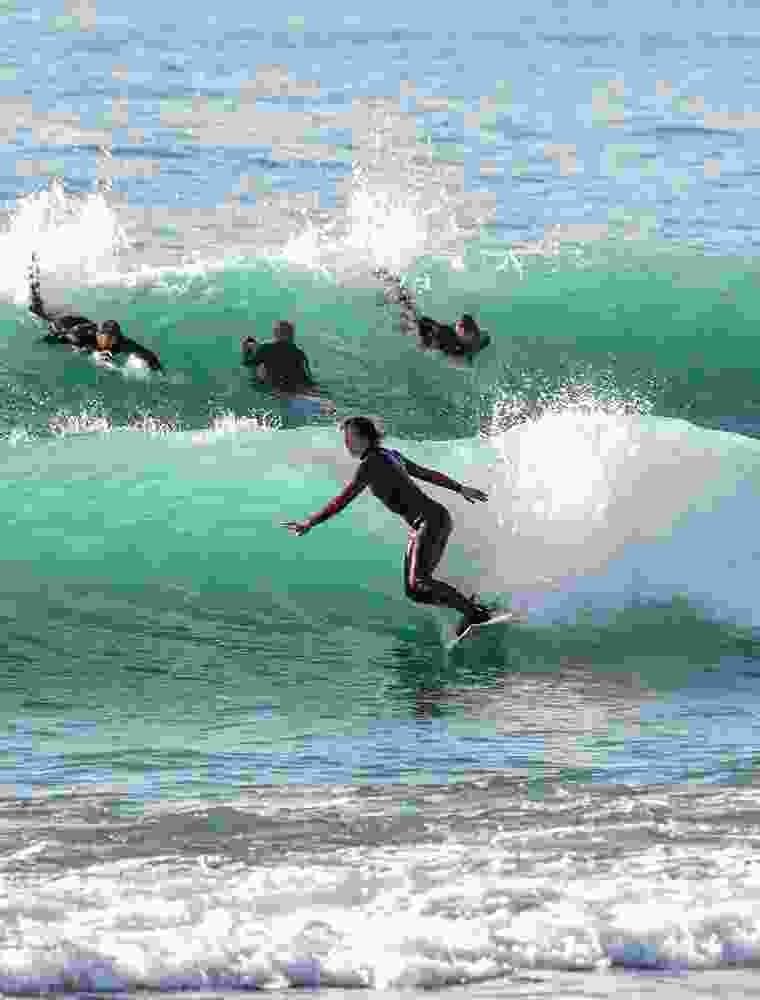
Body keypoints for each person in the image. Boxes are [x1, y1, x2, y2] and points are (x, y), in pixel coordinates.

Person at [283, 416, 493, 637]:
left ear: (364, 438)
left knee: (419, 581)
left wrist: (311, 522)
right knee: (414, 591)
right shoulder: (390, 455)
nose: (346, 444)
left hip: (430, 521)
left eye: (349, 438)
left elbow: (342, 500)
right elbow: (426, 474)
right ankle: (469, 606)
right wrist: (459, 488)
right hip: (426, 523)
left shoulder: (370, 464)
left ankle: (474, 613)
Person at [27, 254, 164, 371]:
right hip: (65, 324)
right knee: (37, 310)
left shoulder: (120, 341)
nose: (109, 344)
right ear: (99, 335)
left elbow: (147, 354)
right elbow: (54, 338)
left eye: (112, 340)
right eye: (106, 339)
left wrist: (158, 370)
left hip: (82, 321)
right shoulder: (80, 335)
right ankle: (33, 278)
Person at [373, 268, 491, 362]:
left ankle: (388, 282)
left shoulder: (457, 344)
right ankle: (389, 282)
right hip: (426, 327)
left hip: (423, 331)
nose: (457, 325)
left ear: (468, 333)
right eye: (459, 324)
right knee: (406, 303)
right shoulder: (465, 341)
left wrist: (424, 344)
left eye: (460, 326)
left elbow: (436, 344)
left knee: (406, 305)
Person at [241, 320, 315, 393]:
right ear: (291, 335)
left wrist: (246, 350)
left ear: (276, 333)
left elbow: (247, 363)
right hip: (298, 387)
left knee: (254, 379)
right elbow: (308, 378)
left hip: (275, 388)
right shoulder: (299, 353)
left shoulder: (267, 348)